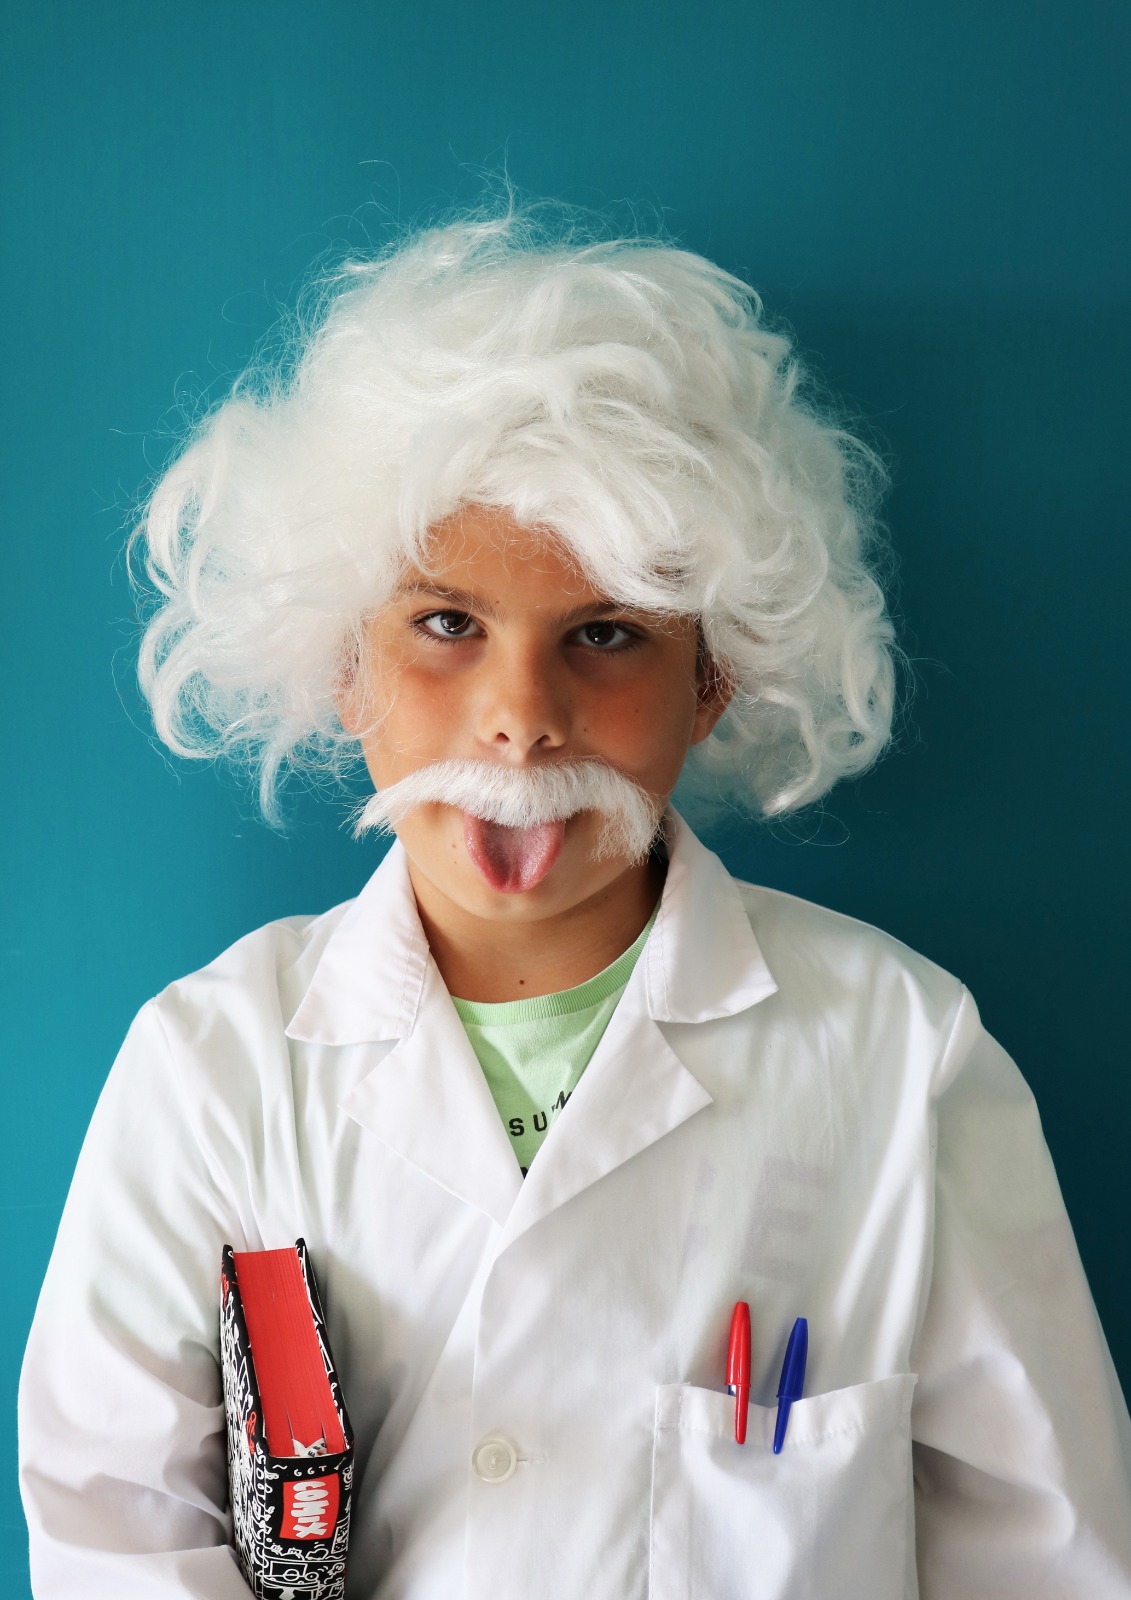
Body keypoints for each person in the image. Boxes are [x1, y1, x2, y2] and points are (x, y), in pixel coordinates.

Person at [18, 206, 1131, 1599]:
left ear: (714, 680)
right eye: (446, 625)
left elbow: (1046, 1553)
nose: (521, 718)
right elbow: (116, 1533)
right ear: (342, 665)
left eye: (606, 634)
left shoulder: (903, 1053)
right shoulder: (209, 1065)